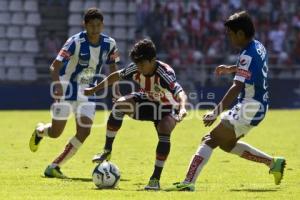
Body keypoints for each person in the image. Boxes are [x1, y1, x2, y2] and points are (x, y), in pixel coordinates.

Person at [166, 11, 286, 191]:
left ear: (240, 34)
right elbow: (252, 67)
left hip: (249, 105)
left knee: (209, 140)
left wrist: (215, 112)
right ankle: (273, 163)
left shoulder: (247, 54)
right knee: (227, 144)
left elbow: (236, 86)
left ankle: (188, 183)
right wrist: (231, 68)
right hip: (258, 105)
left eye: (230, 34)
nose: (228, 37)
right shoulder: (258, 46)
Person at [84, 39, 188, 190]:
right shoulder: (136, 68)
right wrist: (95, 89)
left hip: (167, 108)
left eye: (142, 64)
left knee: (165, 129)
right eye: (137, 64)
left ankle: (155, 179)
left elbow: (180, 92)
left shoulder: (164, 73)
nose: (139, 68)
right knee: (120, 104)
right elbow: (115, 76)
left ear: (152, 60)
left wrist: (183, 108)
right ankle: (107, 151)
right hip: (146, 100)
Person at [29, 8, 120, 178]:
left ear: (103, 25)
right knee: (56, 132)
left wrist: (116, 92)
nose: (95, 29)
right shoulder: (75, 41)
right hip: (67, 87)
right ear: (85, 25)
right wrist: (57, 86)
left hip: (88, 90)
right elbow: (54, 66)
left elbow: (114, 69)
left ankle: (54, 166)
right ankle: (40, 130)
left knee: (84, 131)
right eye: (91, 25)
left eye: (98, 25)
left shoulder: (110, 44)